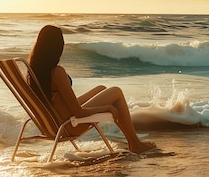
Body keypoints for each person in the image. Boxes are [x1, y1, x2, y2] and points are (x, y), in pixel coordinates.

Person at [27, 25, 156, 154]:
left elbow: (60, 103)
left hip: (54, 124)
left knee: (101, 89)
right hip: (70, 125)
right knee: (116, 91)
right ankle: (135, 143)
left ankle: (133, 142)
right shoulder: (56, 73)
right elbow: (79, 113)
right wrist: (107, 108)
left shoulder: (33, 73)